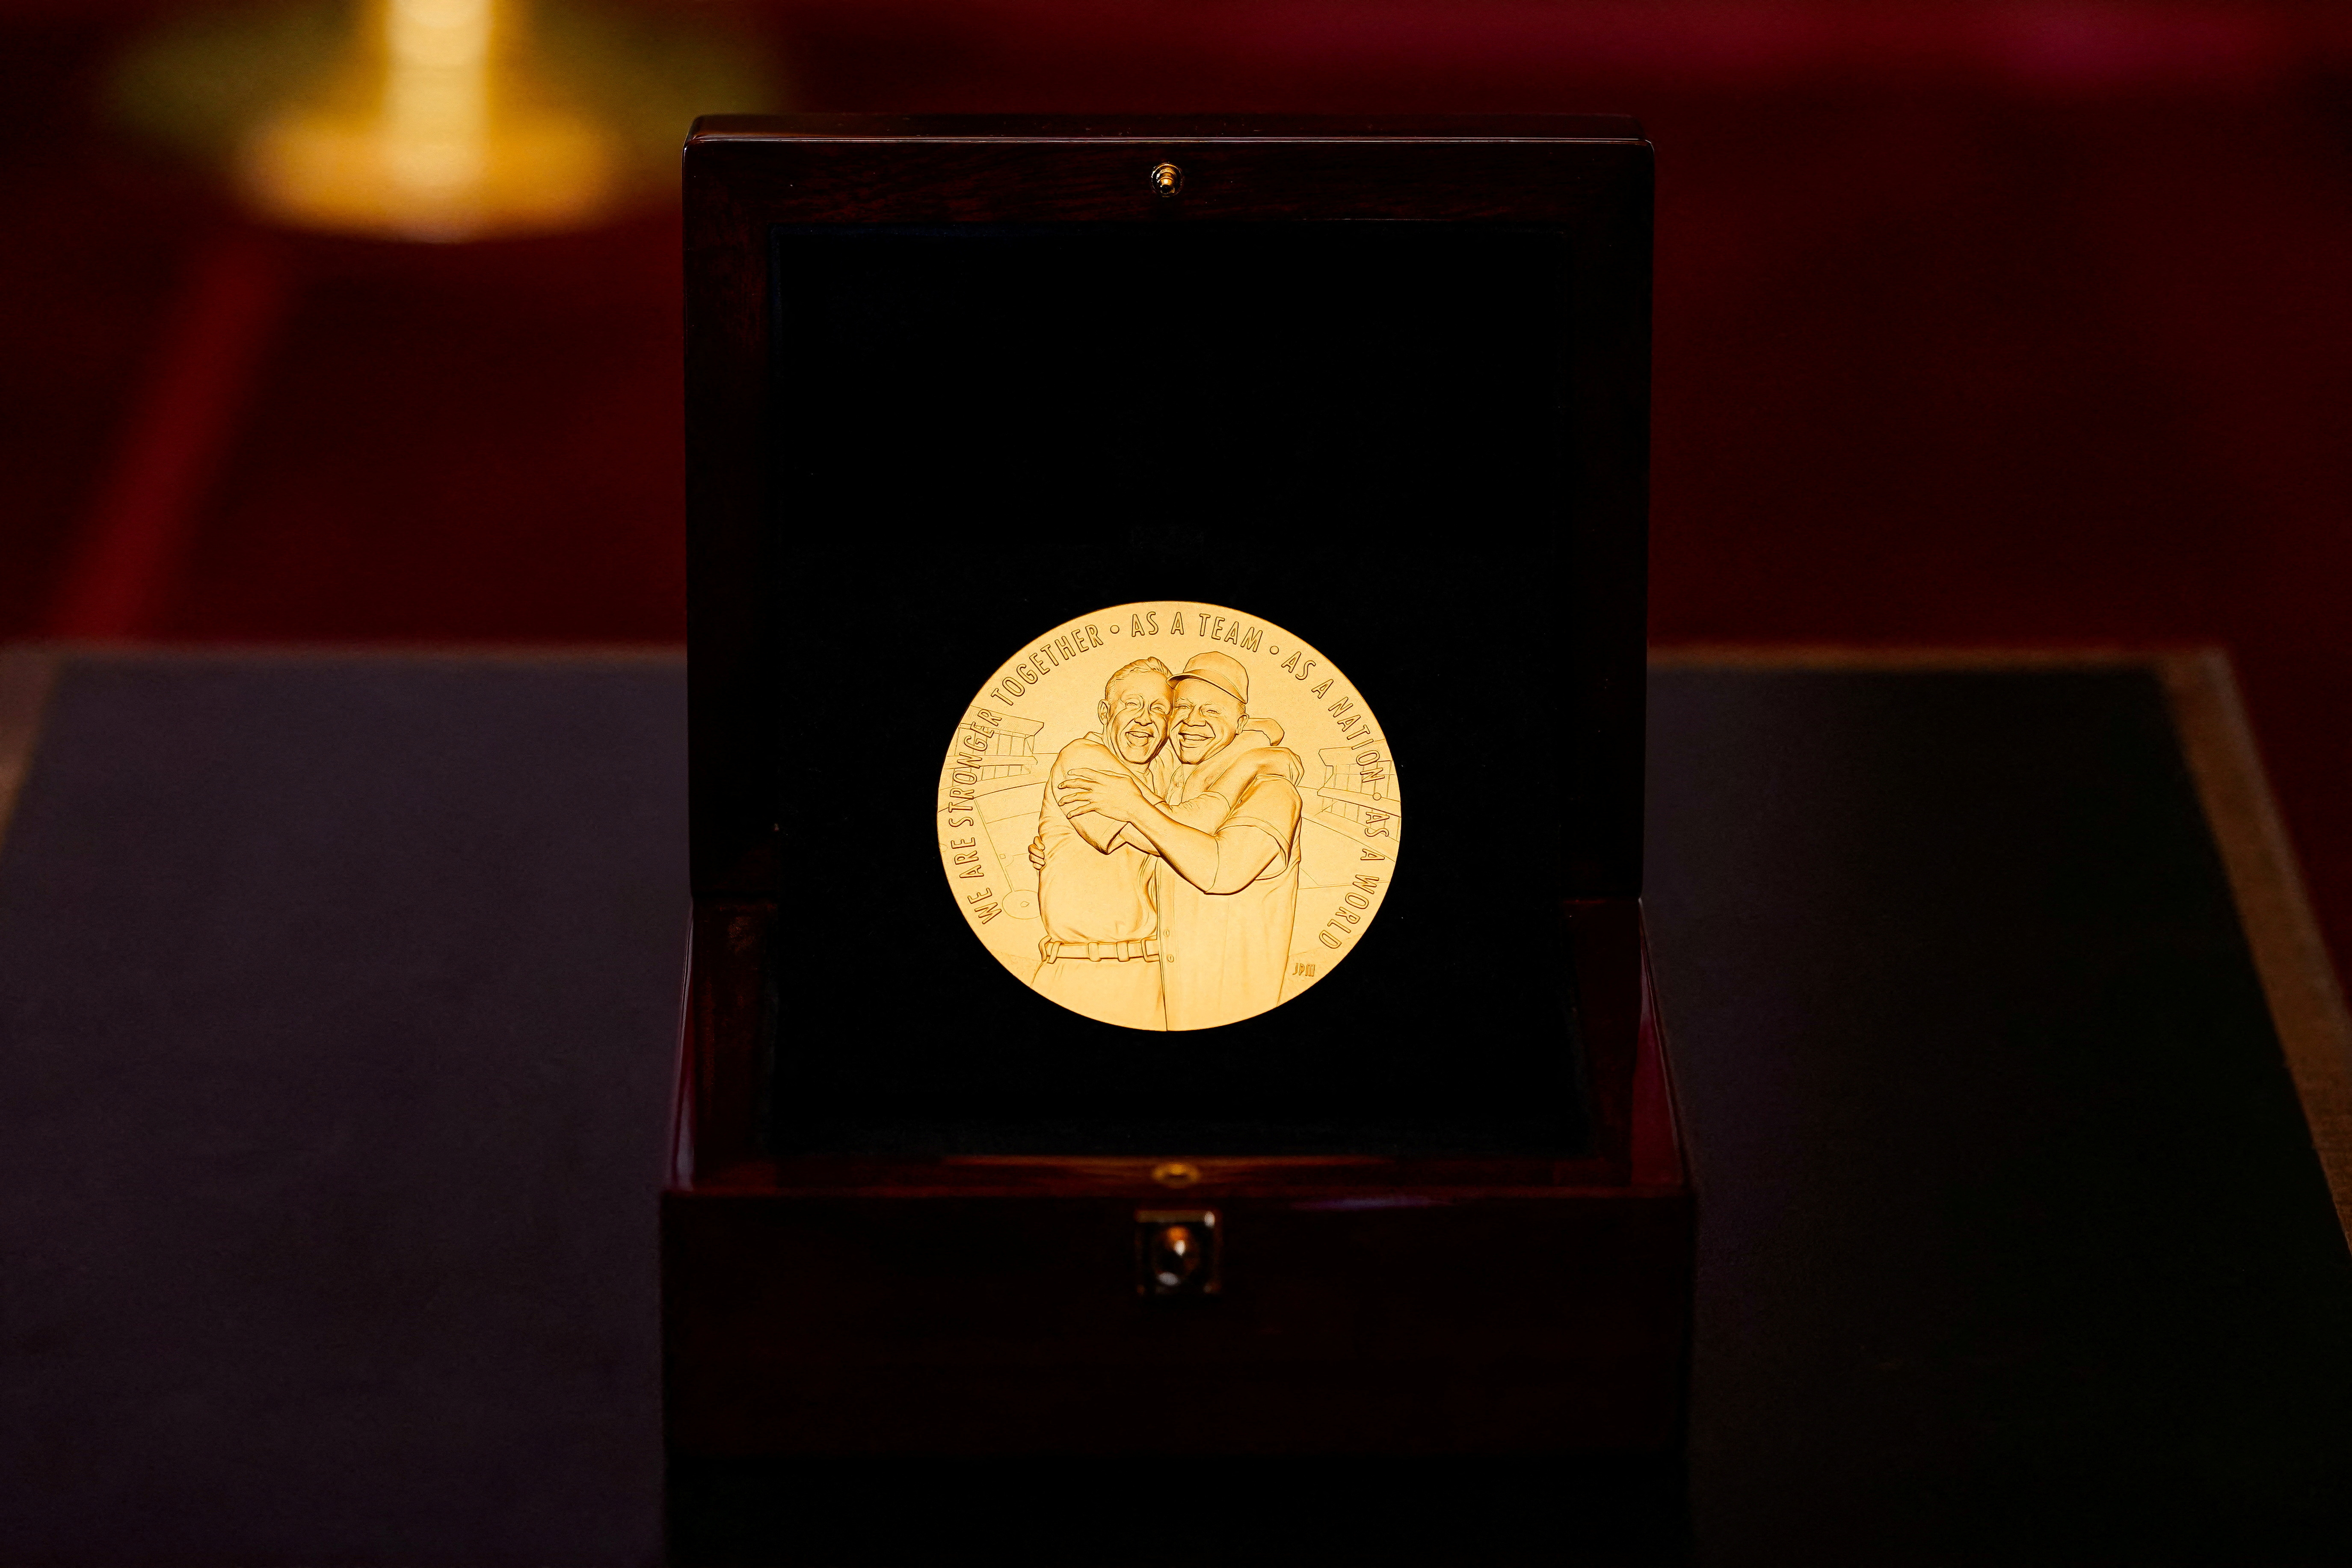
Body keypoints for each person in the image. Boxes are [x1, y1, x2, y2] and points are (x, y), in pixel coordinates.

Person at [1057, 651, 1303, 1030]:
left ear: (1239, 723)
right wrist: (1250, 753)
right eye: (1182, 708)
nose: (1191, 722)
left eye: (1212, 712)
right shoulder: (1174, 778)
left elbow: (1219, 872)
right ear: (1105, 713)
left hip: (1232, 1008)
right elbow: (1179, 824)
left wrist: (1133, 807)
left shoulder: (1272, 792)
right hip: (1147, 996)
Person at [1028, 657, 1176, 1030]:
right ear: (1104, 712)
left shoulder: (1163, 773)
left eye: (1159, 708)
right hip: (1080, 976)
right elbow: (1171, 841)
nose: (1145, 718)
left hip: (1154, 977)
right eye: (1132, 704)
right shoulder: (1082, 759)